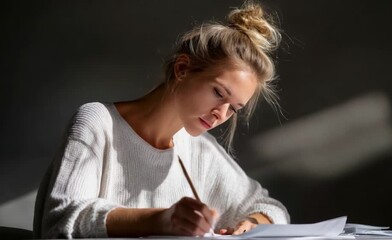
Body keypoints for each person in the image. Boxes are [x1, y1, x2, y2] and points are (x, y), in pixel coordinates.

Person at [33, 1, 290, 238]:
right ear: (182, 69)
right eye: (219, 93)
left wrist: (251, 224)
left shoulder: (200, 150)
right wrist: (162, 220)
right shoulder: (99, 124)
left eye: (234, 108)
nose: (221, 114)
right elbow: (59, 222)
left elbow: (270, 208)